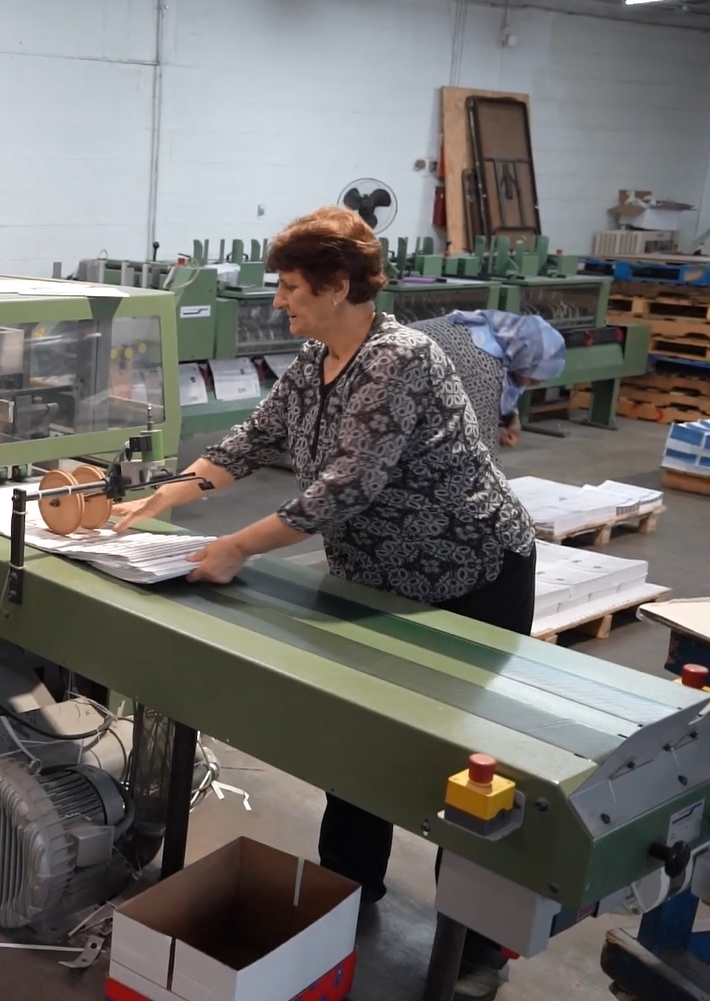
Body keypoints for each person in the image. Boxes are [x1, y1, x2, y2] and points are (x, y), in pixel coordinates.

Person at [109, 206, 536, 1001]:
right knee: (359, 733)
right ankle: (348, 885)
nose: (278, 301)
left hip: (469, 574)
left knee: (473, 765)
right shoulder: (314, 361)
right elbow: (253, 437)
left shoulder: (398, 360)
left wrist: (233, 545)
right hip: (374, 577)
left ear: (339, 286)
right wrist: (173, 491)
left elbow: (348, 485)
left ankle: (476, 946)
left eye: (292, 287)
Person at [413, 310, 567, 449]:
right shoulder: (484, 366)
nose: (536, 383)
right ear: (523, 359)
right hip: (407, 372)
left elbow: (506, 385)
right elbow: (477, 447)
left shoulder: (494, 334)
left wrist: (510, 417)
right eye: (533, 378)